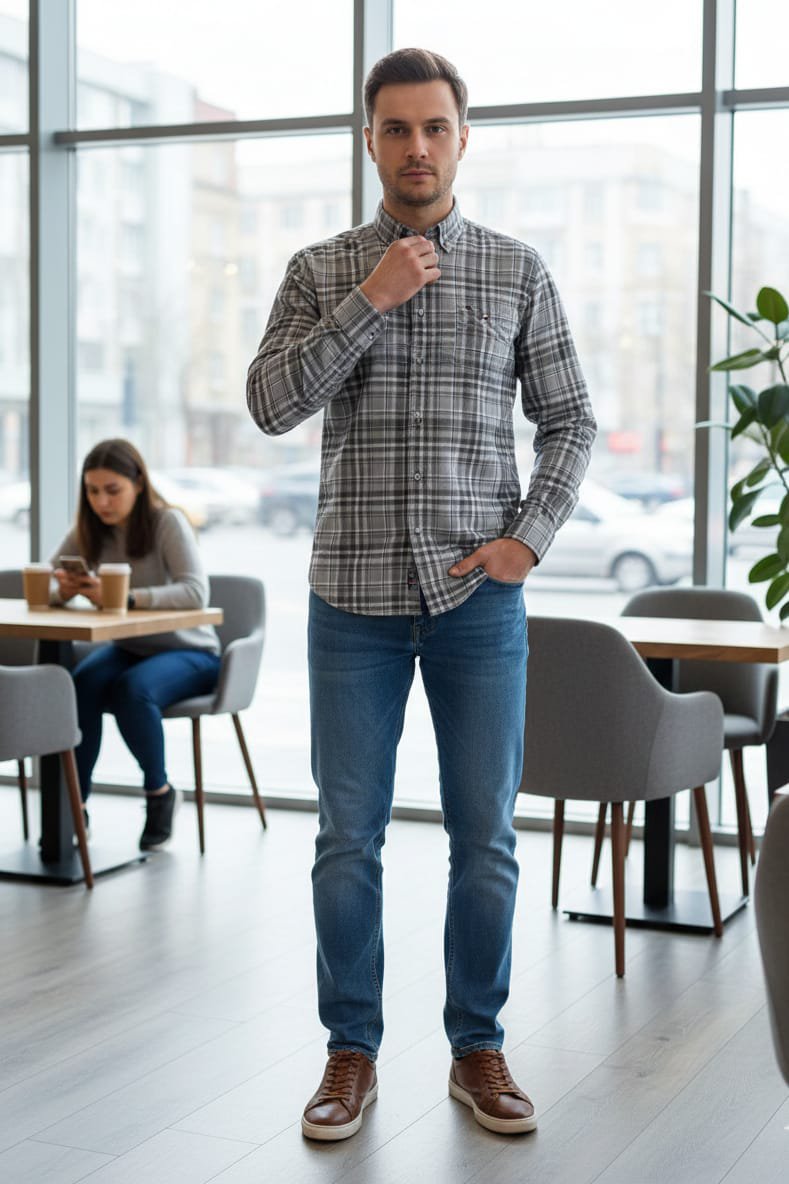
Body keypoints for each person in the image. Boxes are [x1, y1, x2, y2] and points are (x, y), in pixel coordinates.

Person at [247, 48, 596, 1141]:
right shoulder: (319, 269)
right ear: (369, 139)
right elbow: (268, 403)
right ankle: (350, 1051)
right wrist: (368, 299)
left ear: (461, 136)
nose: (415, 147)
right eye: (394, 129)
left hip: (475, 604)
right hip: (348, 598)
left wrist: (526, 542)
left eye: (433, 127)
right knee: (347, 837)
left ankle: (476, 1045)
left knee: (484, 835)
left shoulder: (516, 269)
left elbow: (572, 416)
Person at [51, 438, 221, 851]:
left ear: (139, 484)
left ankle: (159, 794)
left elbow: (195, 592)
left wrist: (126, 597)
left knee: (133, 691)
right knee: (79, 686)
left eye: (113, 490)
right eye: (93, 491)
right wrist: (65, 588)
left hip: (191, 651)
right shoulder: (89, 530)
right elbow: (52, 583)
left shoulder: (167, 523)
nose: (102, 502)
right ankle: (75, 806)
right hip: (131, 649)